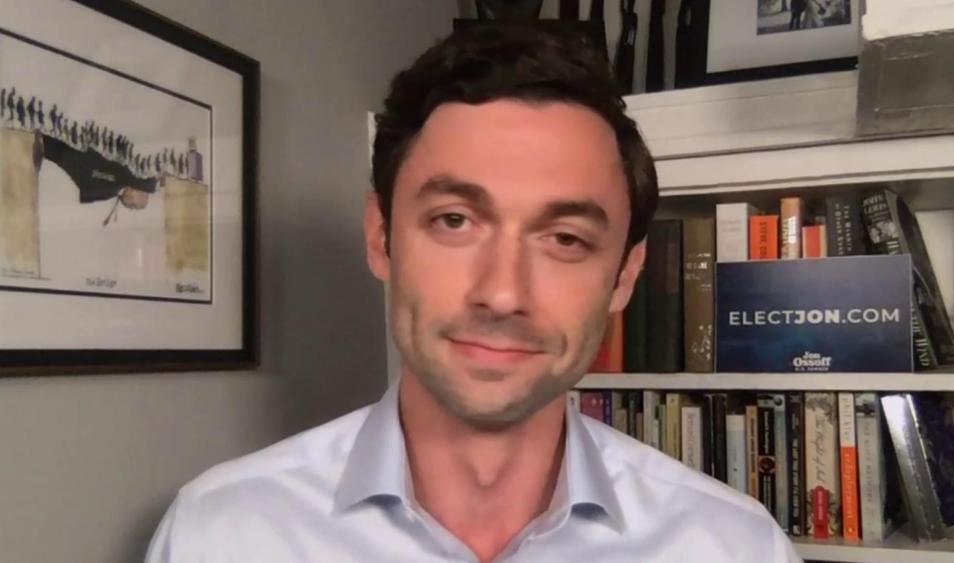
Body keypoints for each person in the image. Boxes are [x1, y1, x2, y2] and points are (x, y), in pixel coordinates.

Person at [145, 24, 800, 563]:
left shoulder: (735, 548)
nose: (502, 293)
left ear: (624, 276)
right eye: (454, 220)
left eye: (565, 238)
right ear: (381, 237)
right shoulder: (220, 534)